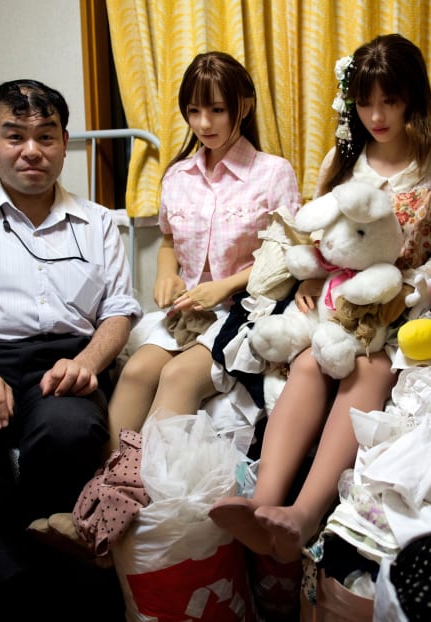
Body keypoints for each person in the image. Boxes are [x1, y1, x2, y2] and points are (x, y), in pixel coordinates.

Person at [209, 33, 431, 563]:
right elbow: (316, 235)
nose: (376, 114)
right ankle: (261, 503)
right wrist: (309, 279)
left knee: (368, 369)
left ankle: (302, 516)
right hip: (337, 302)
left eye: (390, 101)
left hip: (401, 306)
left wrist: (412, 288)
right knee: (307, 365)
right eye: (365, 101)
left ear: (412, 99)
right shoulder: (342, 159)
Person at [0, 79, 142, 618]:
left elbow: (117, 312)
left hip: (65, 362)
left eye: (46, 136)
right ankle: (9, 589)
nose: (31, 150)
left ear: (64, 143)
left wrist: (87, 363)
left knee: (71, 431)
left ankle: (57, 564)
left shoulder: (99, 223)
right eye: (15, 136)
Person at [105, 51, 301, 445]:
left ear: (243, 107)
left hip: (248, 311)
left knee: (178, 376)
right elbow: (168, 241)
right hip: (189, 313)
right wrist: (166, 272)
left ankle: (141, 493)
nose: (204, 124)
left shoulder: (273, 172)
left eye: (216, 109)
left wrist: (225, 286)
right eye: (194, 111)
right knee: (137, 371)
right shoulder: (178, 175)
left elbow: (287, 256)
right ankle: (98, 488)